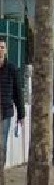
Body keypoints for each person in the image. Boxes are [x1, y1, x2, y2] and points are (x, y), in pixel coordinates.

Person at [0, 37, 25, 169]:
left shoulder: (12, 69)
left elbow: (18, 93)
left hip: (5, 112)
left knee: (2, 144)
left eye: (2, 47)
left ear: (6, 50)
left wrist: (21, 115)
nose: (0, 50)